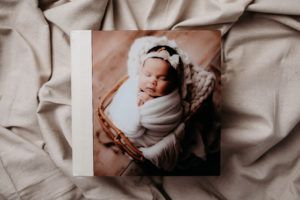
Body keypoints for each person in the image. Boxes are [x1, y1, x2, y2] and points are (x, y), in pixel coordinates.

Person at [106, 36, 187, 171]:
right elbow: (123, 97)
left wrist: (146, 105)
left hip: (148, 135)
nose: (153, 81)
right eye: (148, 74)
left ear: (174, 82)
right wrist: (135, 104)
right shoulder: (134, 84)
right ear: (141, 71)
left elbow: (172, 116)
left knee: (133, 131)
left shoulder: (171, 100)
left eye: (163, 78)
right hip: (131, 127)